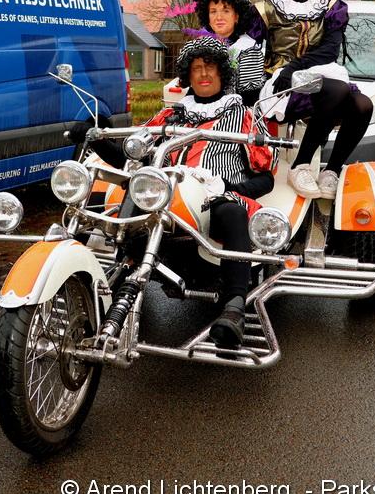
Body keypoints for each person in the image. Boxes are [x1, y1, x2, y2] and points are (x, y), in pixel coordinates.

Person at [70, 37, 274, 349]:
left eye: (210, 67)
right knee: (108, 204)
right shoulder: (168, 116)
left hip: (215, 199)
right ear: (187, 75)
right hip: (164, 198)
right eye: (196, 68)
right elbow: (130, 159)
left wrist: (227, 187)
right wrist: (95, 139)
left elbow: (266, 179)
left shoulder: (243, 115)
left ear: (222, 72)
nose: (203, 73)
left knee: (234, 213)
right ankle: (80, 287)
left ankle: (234, 310)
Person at [250, 0, 373, 199]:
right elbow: (243, 40)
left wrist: (295, 67)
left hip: (319, 75)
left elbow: (330, 50)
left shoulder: (330, 6)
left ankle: (332, 170)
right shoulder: (267, 8)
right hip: (281, 84)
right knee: (337, 91)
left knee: (363, 106)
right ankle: (300, 165)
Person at [189, 0, 266, 106]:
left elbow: (250, 100)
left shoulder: (248, 50)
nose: (219, 17)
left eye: (226, 10)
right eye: (213, 11)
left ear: (237, 16)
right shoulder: (202, 47)